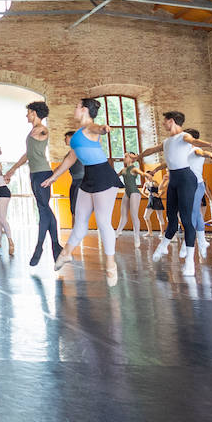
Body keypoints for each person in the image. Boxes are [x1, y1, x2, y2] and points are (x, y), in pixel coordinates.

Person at [42, 99, 123, 285]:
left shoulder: (90, 128)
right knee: (80, 221)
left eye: (77, 106)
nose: (74, 109)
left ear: (85, 110)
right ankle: (66, 253)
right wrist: (54, 176)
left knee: (103, 222)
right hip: (88, 178)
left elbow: (97, 128)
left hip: (103, 175)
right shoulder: (78, 134)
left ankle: (111, 266)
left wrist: (104, 128)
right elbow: (72, 157)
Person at [133, 110, 212, 276]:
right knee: (171, 218)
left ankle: (190, 262)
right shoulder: (167, 141)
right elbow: (152, 149)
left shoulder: (183, 136)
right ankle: (163, 246)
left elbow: (194, 141)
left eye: (165, 121)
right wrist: (140, 156)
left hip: (186, 179)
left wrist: (210, 145)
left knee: (186, 219)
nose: (163, 123)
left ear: (171, 121)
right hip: (174, 181)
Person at [2, 101, 60, 267]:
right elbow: (27, 154)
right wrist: (12, 170)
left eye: (28, 112)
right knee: (44, 210)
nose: (26, 115)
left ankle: (40, 247)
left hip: (43, 173)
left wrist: (41, 130)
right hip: (34, 174)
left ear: (35, 113)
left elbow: (44, 133)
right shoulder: (32, 131)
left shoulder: (42, 129)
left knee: (43, 210)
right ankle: (55, 247)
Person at [186, 130, 212, 260]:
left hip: (196, 185)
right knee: (196, 213)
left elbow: (201, 153)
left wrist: (209, 153)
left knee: (193, 213)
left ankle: (192, 240)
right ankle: (201, 240)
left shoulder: (196, 149)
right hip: (187, 185)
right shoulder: (185, 152)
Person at [118, 153, 146, 245]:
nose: (124, 158)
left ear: (131, 159)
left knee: (134, 215)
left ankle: (136, 237)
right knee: (123, 214)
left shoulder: (134, 169)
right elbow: (114, 177)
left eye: (126, 156)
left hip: (134, 192)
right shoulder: (123, 170)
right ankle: (118, 232)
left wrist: (147, 175)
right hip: (127, 193)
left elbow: (142, 173)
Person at [62, 130, 84, 218]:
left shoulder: (79, 151)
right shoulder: (70, 153)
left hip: (81, 182)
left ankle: (78, 230)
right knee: (73, 209)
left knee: (76, 209)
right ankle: (74, 230)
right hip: (74, 182)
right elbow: (62, 167)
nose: (64, 140)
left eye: (66, 138)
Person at [143, 167, 165, 233]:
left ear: (151, 176)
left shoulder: (155, 182)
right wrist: (148, 195)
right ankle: (150, 232)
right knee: (146, 216)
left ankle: (162, 233)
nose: (147, 177)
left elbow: (162, 190)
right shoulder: (146, 184)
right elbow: (142, 191)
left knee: (160, 217)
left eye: (148, 175)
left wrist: (159, 195)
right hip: (151, 200)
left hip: (157, 200)